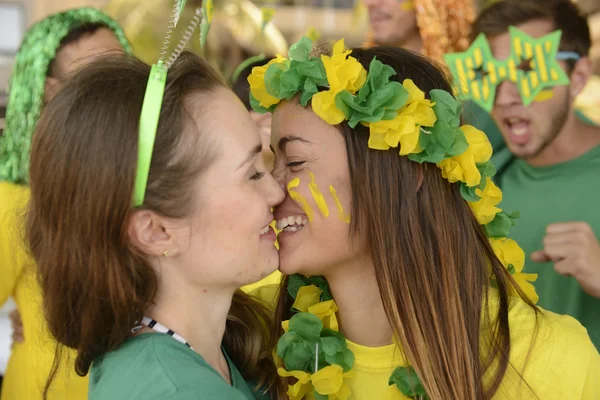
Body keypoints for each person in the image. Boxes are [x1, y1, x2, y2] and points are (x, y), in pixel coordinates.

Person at [247, 37, 600, 399]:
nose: (272, 192)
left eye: (295, 163)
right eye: (270, 163)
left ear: (401, 170)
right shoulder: (247, 330)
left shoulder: (553, 361)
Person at [27, 50, 284, 399]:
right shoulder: (180, 391)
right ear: (155, 231)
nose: (276, 190)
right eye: (252, 173)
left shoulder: (186, 351)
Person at [0, 8, 131, 400]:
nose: (116, 85)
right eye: (94, 75)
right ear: (49, 90)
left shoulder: (158, 176)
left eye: (121, 66)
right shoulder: (16, 197)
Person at [471, 0, 600, 349]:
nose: (506, 96)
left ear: (578, 77)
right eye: (489, 76)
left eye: (528, 70)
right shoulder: (474, 185)